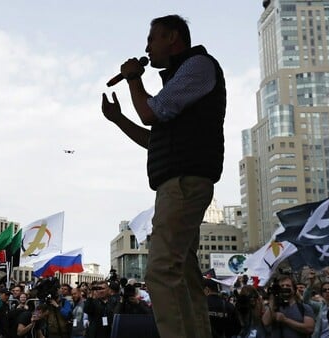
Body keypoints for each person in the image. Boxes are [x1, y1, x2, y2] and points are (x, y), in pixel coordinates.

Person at [101, 14, 226, 338]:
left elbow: (149, 113)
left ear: (172, 38)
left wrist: (132, 78)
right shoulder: (178, 83)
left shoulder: (198, 66)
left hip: (184, 183)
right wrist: (118, 120)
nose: (147, 48)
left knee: (159, 271)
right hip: (180, 182)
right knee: (184, 274)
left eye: (151, 39)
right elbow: (153, 138)